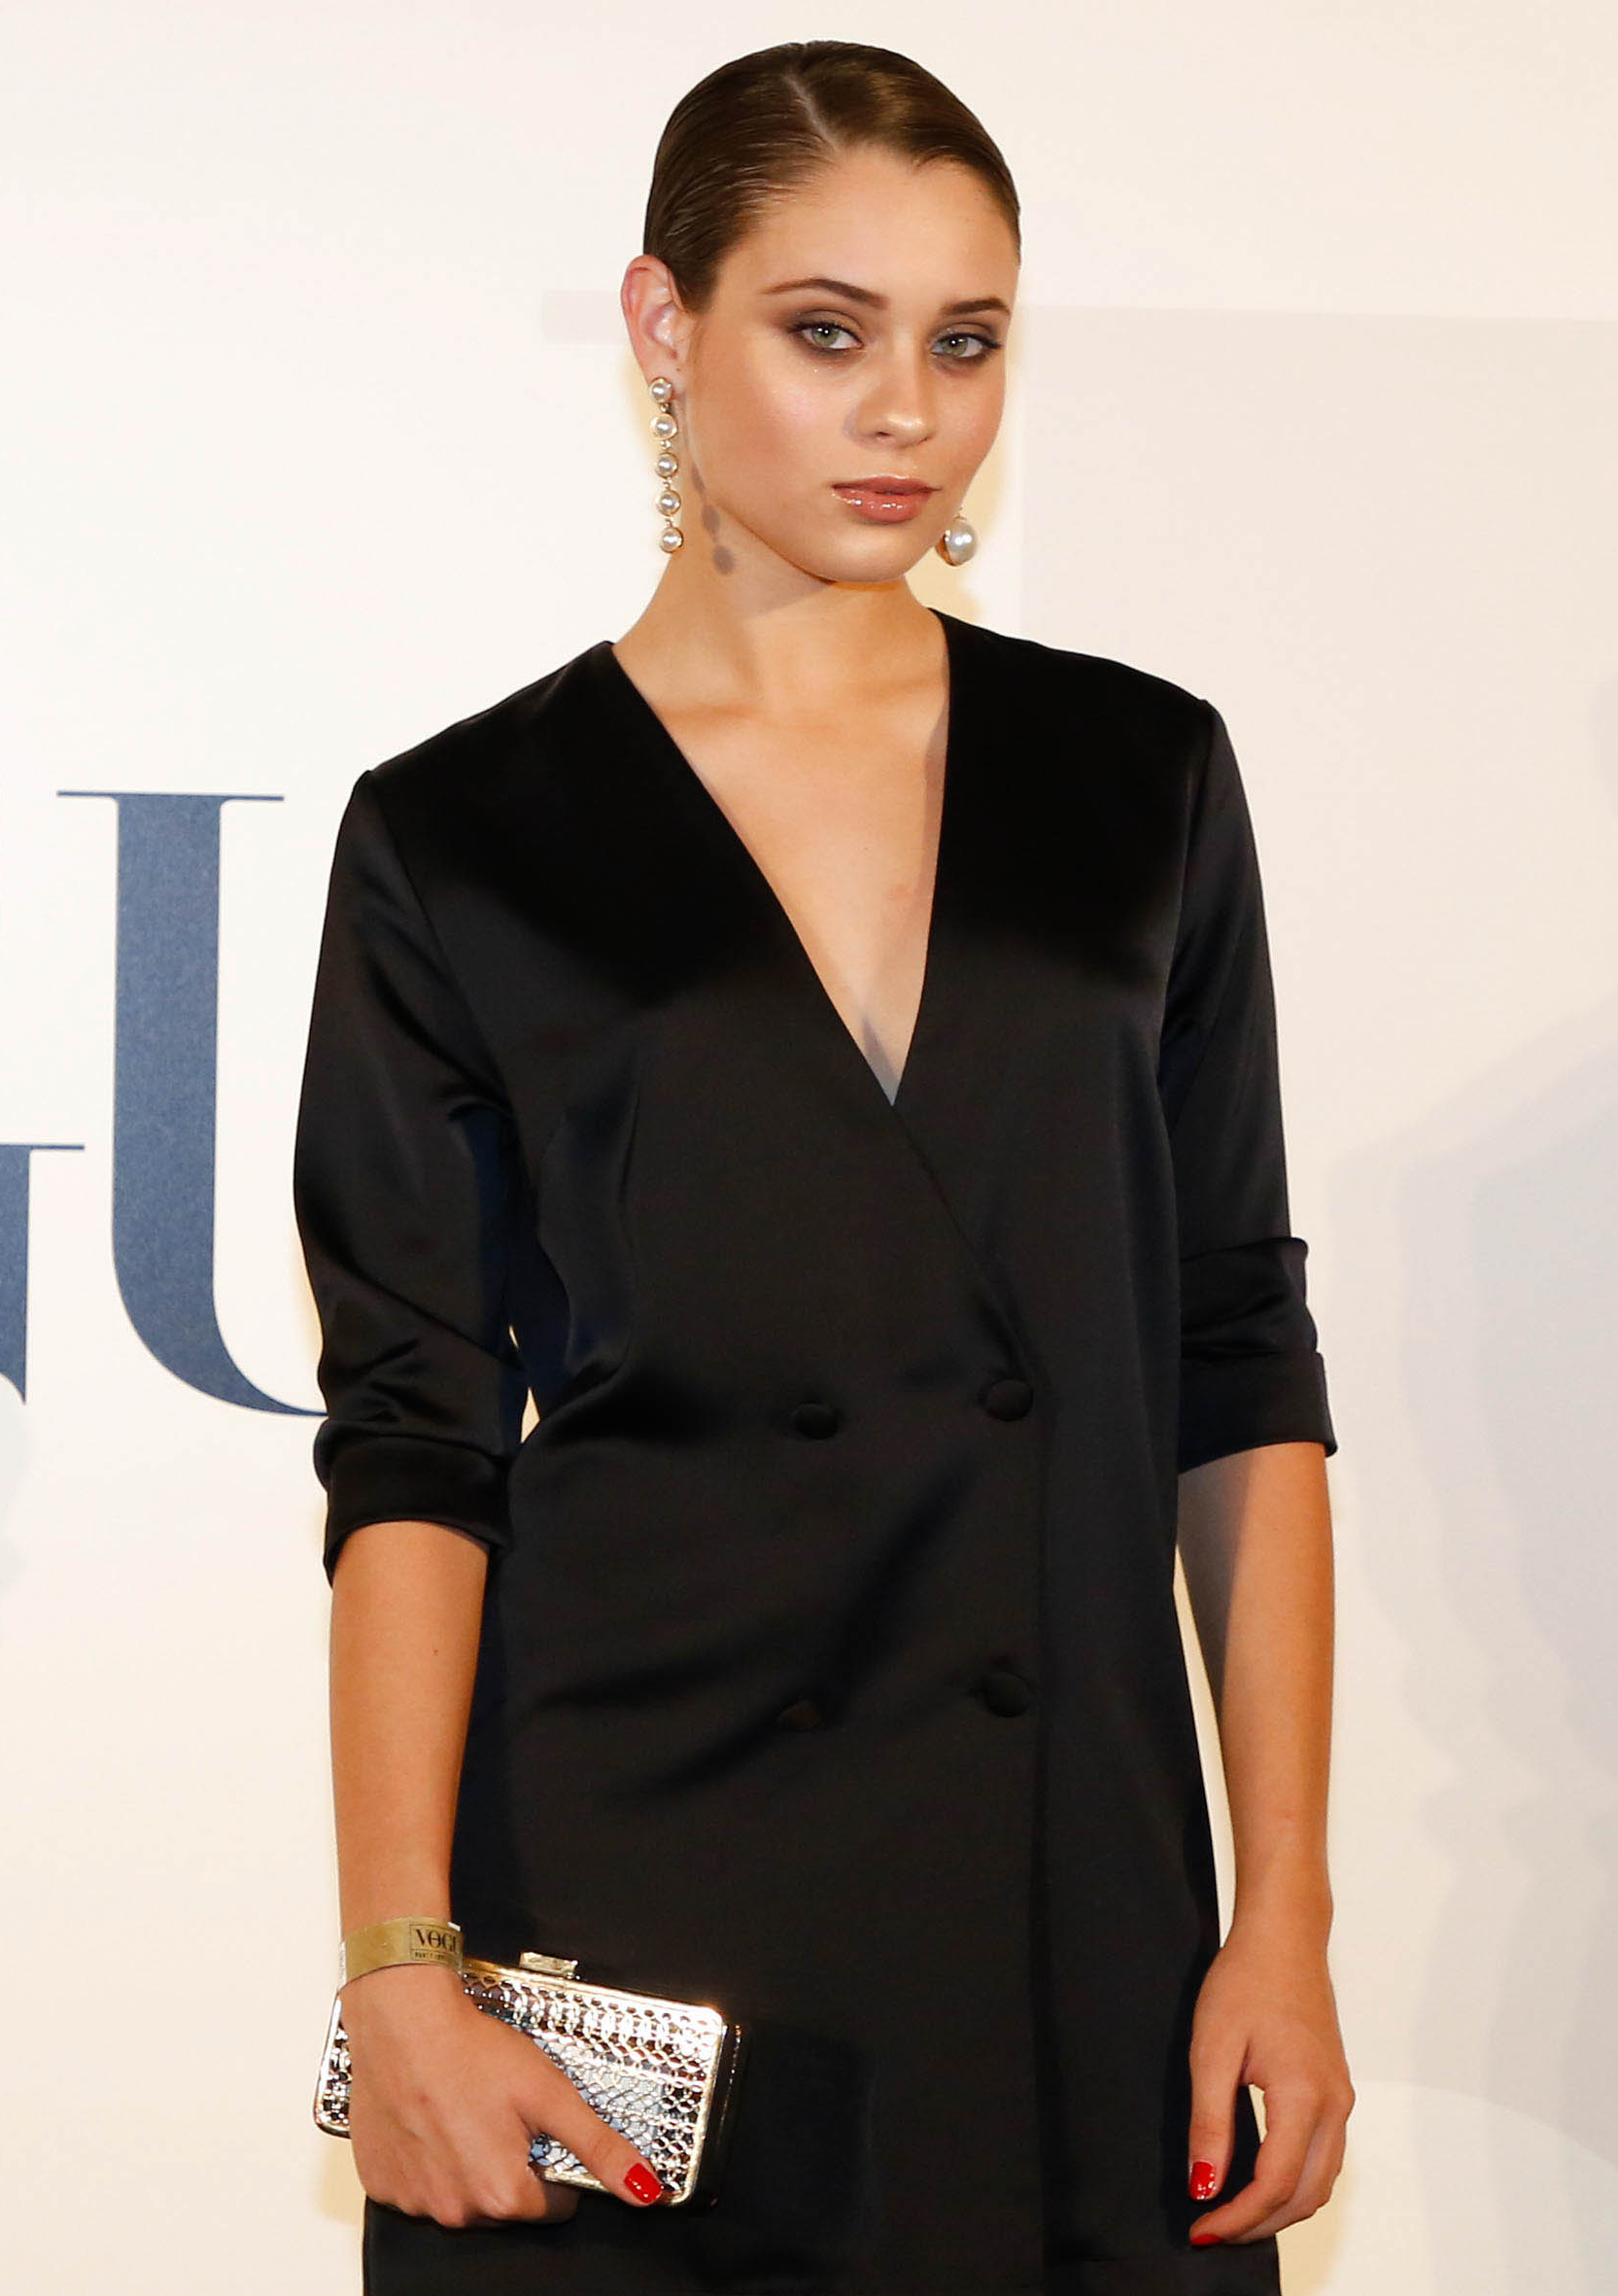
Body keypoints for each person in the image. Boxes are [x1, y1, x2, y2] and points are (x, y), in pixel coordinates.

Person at [296, 41, 1348, 2293]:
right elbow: (411, 1438)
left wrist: (1279, 1912)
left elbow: (1234, 1358)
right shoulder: (461, 837)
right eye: (825, 330)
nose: (904, 412)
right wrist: (399, 1960)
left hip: (1067, 1898)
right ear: (663, 328)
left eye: (963, 343)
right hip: (627, 1905)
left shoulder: (1136, 779)